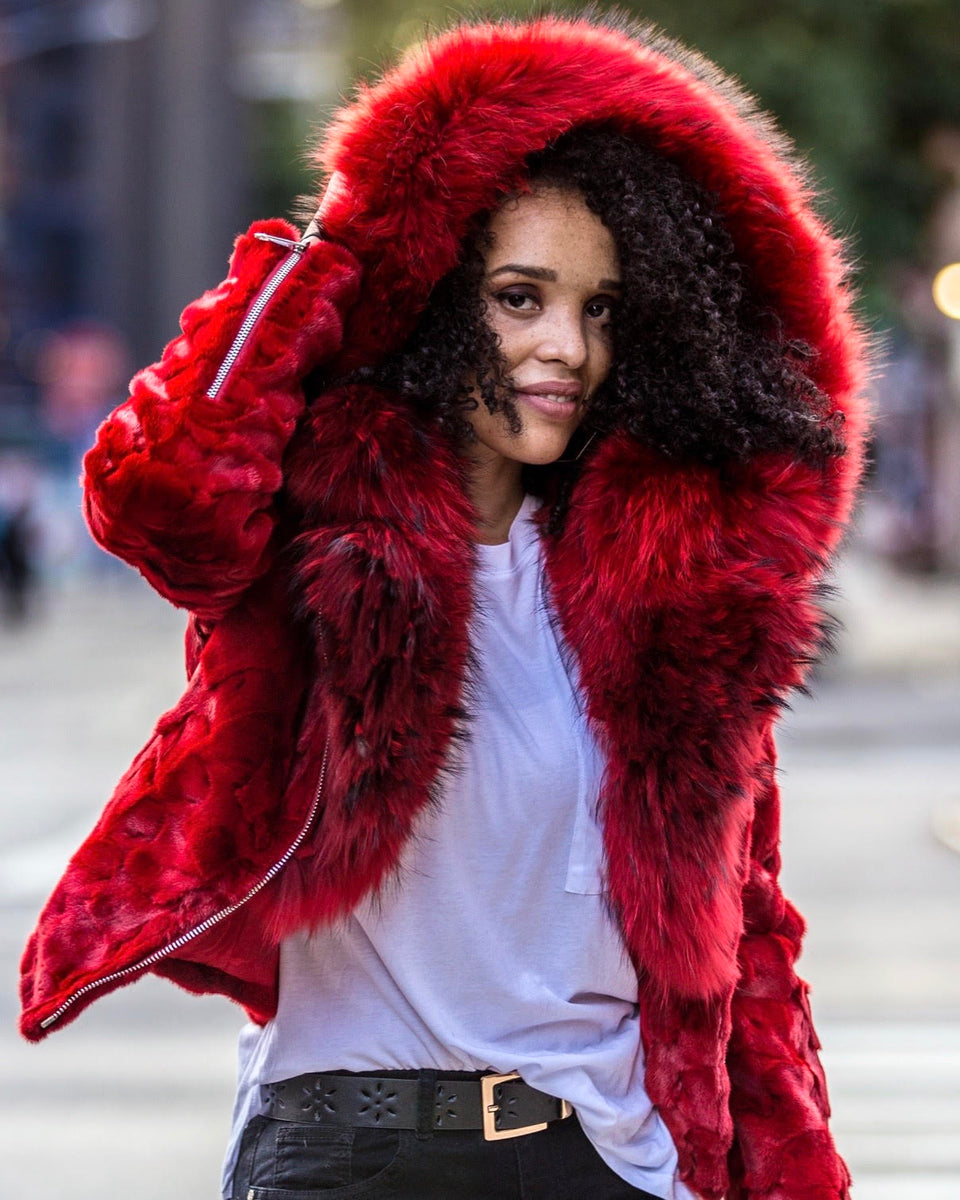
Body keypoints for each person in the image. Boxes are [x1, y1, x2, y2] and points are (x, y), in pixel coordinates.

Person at [19, 15, 869, 1200]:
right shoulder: (308, 547)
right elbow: (157, 495)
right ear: (430, 296)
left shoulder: (666, 603)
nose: (565, 347)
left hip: (604, 1160)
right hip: (340, 1150)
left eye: (603, 309)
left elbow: (750, 940)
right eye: (519, 298)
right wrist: (329, 253)